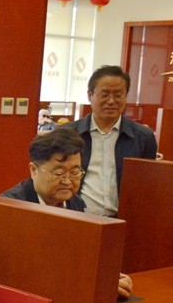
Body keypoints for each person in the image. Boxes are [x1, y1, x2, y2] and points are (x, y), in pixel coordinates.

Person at [1, 127, 134, 298]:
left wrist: (107, 278)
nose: (67, 181)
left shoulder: (76, 203)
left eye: (75, 173)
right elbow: (24, 273)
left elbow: (81, 258)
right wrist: (91, 284)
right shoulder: (11, 208)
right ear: (34, 170)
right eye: (58, 173)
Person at [63, 65, 157, 217]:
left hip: (123, 220)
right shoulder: (67, 134)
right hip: (78, 217)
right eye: (104, 94)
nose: (111, 101)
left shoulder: (143, 137)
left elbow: (147, 186)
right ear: (90, 95)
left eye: (118, 95)